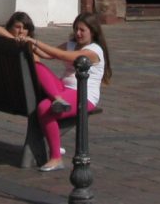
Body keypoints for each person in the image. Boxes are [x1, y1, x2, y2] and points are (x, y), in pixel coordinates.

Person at [27, 12, 112, 172]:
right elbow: (47, 54)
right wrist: (28, 45)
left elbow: (61, 55)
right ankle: (57, 98)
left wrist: (35, 42)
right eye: (76, 29)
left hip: (83, 94)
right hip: (62, 89)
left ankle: (56, 158)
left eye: (82, 30)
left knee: (44, 107)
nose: (78, 33)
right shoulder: (72, 44)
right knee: (37, 65)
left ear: (92, 32)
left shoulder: (94, 51)